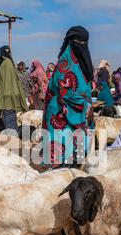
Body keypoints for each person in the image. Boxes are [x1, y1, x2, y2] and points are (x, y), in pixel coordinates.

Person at [42, 25, 95, 167]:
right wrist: (86, 108)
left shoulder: (80, 63)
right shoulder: (66, 63)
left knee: (75, 158)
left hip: (76, 114)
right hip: (61, 114)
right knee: (62, 158)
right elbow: (68, 96)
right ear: (72, 42)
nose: (83, 46)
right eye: (80, 42)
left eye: (85, 43)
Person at [0, 45, 27, 131]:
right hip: (10, 95)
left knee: (7, 115)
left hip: (4, 95)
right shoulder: (9, 63)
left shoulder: (3, 63)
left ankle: (11, 132)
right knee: (10, 115)